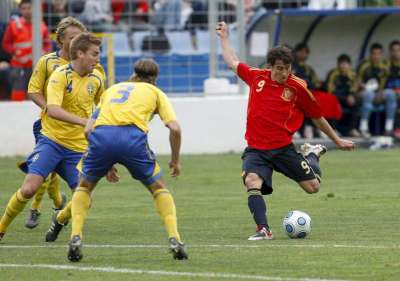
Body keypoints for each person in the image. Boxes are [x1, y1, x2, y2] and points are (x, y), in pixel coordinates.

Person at [216, 21, 355, 240]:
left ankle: (312, 154)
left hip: (282, 149)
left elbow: (316, 117)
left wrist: (337, 140)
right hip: (257, 149)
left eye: (287, 68)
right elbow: (232, 61)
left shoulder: (297, 86)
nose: (283, 73)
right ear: (270, 66)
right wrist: (224, 37)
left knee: (313, 187)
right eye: (279, 68)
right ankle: (263, 229)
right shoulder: (256, 77)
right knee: (252, 181)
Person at [62, 58, 187, 262]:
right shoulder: (156, 93)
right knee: (159, 189)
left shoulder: (113, 89)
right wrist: (175, 161)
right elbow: (175, 128)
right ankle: (175, 238)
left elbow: (87, 129)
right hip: (132, 139)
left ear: (134, 74)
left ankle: (76, 235)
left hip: (101, 137)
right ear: (155, 78)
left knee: (84, 187)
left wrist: (107, 162)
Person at [0, 32, 104, 241]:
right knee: (29, 189)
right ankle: (1, 228)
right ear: (80, 53)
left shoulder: (98, 77)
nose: (98, 58)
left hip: (77, 148)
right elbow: (53, 110)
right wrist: (85, 122)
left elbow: (103, 108)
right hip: (52, 142)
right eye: (94, 54)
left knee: (85, 198)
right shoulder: (60, 75)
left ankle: (60, 219)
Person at [19, 17, 94, 229]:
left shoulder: (90, 64)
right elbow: (33, 91)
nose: (77, 41)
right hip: (49, 127)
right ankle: (36, 208)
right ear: (60, 40)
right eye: (72, 37)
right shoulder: (47, 62)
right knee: (44, 172)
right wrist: (50, 109)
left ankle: (59, 204)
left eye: (80, 37)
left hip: (77, 134)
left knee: (56, 174)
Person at [1, 0, 51, 101]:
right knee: (18, 92)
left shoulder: (42, 25)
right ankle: (16, 113)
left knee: (37, 92)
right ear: (20, 10)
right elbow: (6, 44)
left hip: (37, 65)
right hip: (18, 65)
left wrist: (44, 53)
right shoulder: (14, 25)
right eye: (24, 8)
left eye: (29, 8)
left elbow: (47, 44)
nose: (27, 11)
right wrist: (16, 53)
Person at [357, 43, 393, 137]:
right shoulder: (364, 65)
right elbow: (357, 80)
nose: (376, 56)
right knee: (368, 94)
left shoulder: (385, 66)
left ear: (382, 55)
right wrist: (362, 86)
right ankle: (363, 128)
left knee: (391, 94)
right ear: (370, 54)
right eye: (374, 53)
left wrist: (381, 91)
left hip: (380, 93)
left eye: (378, 53)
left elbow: (387, 82)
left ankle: (389, 128)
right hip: (365, 92)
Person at [326, 54, 361, 137]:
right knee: (334, 101)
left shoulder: (353, 74)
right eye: (341, 63)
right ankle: (333, 129)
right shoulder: (333, 74)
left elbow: (354, 87)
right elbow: (330, 90)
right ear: (338, 64)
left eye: (346, 64)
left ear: (349, 65)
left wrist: (351, 95)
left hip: (348, 98)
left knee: (356, 102)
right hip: (336, 97)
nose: (343, 66)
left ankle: (353, 129)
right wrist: (345, 98)